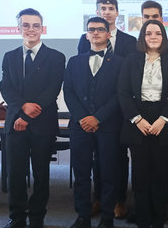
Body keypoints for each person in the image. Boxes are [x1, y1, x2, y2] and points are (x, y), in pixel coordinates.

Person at [0, 8, 65, 228]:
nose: (31, 29)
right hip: (15, 124)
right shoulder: (9, 57)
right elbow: (5, 86)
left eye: (36, 25)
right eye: (25, 25)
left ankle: (37, 218)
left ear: (42, 28)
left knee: (41, 174)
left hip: (42, 125)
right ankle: (17, 218)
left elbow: (52, 89)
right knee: (15, 175)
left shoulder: (56, 57)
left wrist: (27, 115)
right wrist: (21, 109)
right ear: (19, 28)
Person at [117, 19, 168, 228]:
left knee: (161, 170)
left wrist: (163, 119)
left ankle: (159, 214)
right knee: (140, 170)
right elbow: (123, 93)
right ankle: (143, 214)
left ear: (163, 37)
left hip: (163, 117)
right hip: (138, 118)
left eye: (158, 33)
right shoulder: (130, 60)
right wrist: (137, 119)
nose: (153, 37)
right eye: (148, 33)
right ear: (142, 37)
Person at [77, 0, 137, 219]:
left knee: (118, 158)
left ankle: (119, 199)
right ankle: (98, 198)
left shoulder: (129, 41)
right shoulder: (85, 39)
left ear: (117, 13)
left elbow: (130, 76)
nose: (107, 11)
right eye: (103, 8)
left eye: (111, 8)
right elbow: (81, 73)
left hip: (118, 111)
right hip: (92, 111)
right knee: (96, 160)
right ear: (96, 10)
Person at [64, 17, 124, 228]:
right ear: (87, 35)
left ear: (108, 34)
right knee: (81, 173)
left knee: (108, 173)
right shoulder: (74, 61)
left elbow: (120, 95)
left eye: (100, 29)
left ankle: (107, 217)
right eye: (92, 30)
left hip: (108, 126)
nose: (96, 32)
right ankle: (83, 216)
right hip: (80, 126)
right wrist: (83, 118)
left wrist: (98, 118)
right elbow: (69, 93)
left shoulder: (119, 63)